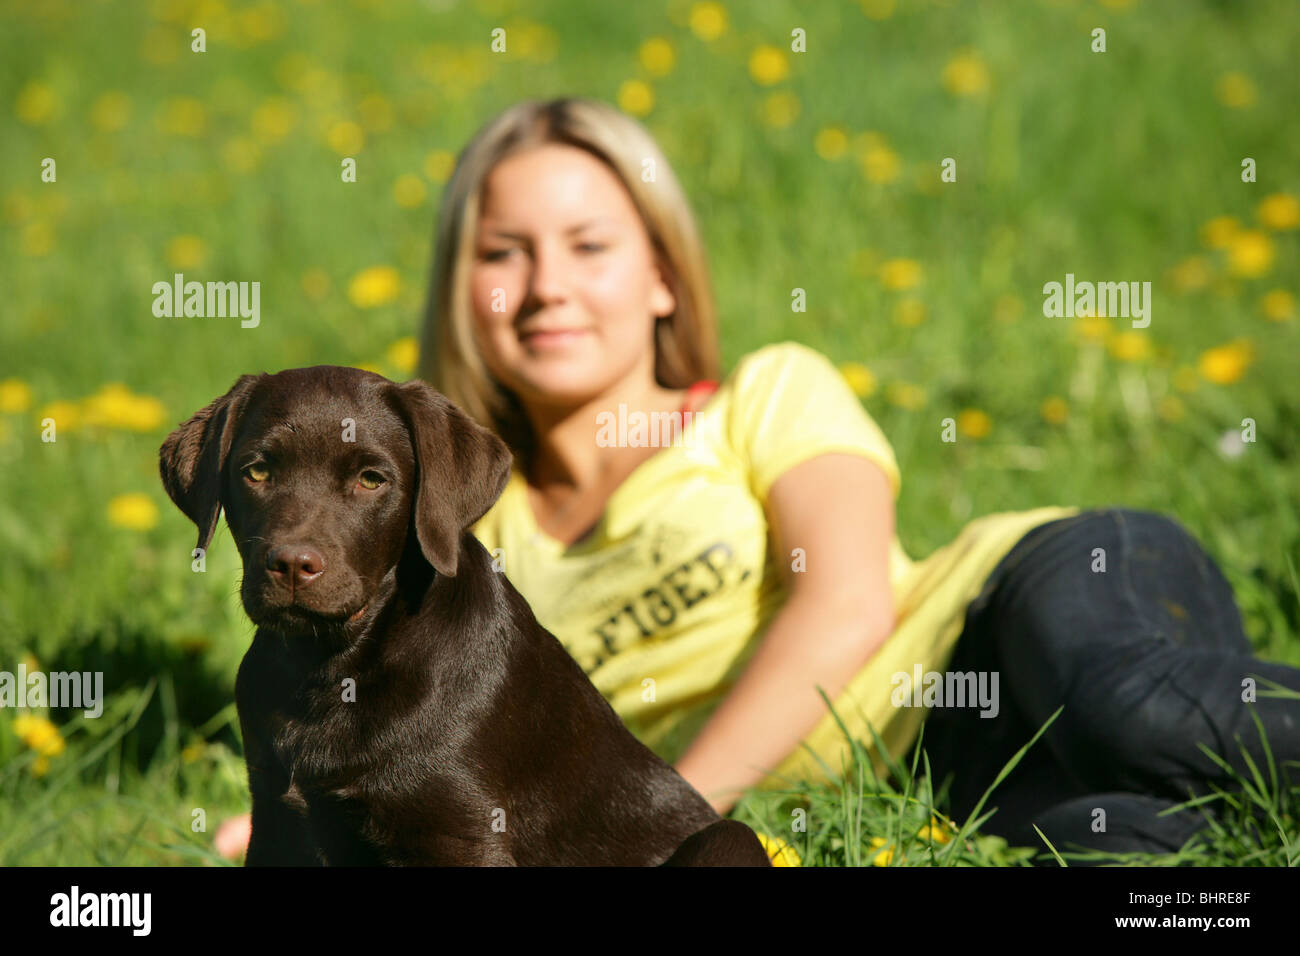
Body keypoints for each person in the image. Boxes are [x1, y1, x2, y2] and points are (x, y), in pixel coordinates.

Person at [214, 97, 1300, 864]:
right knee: (1126, 836)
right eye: (502, 252)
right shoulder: (448, 535)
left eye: (588, 244)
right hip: (945, 776)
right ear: (461, 288)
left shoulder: (766, 395)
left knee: (1131, 709)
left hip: (1014, 613)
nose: (546, 285)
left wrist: (683, 821)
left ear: (660, 273)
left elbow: (845, 603)